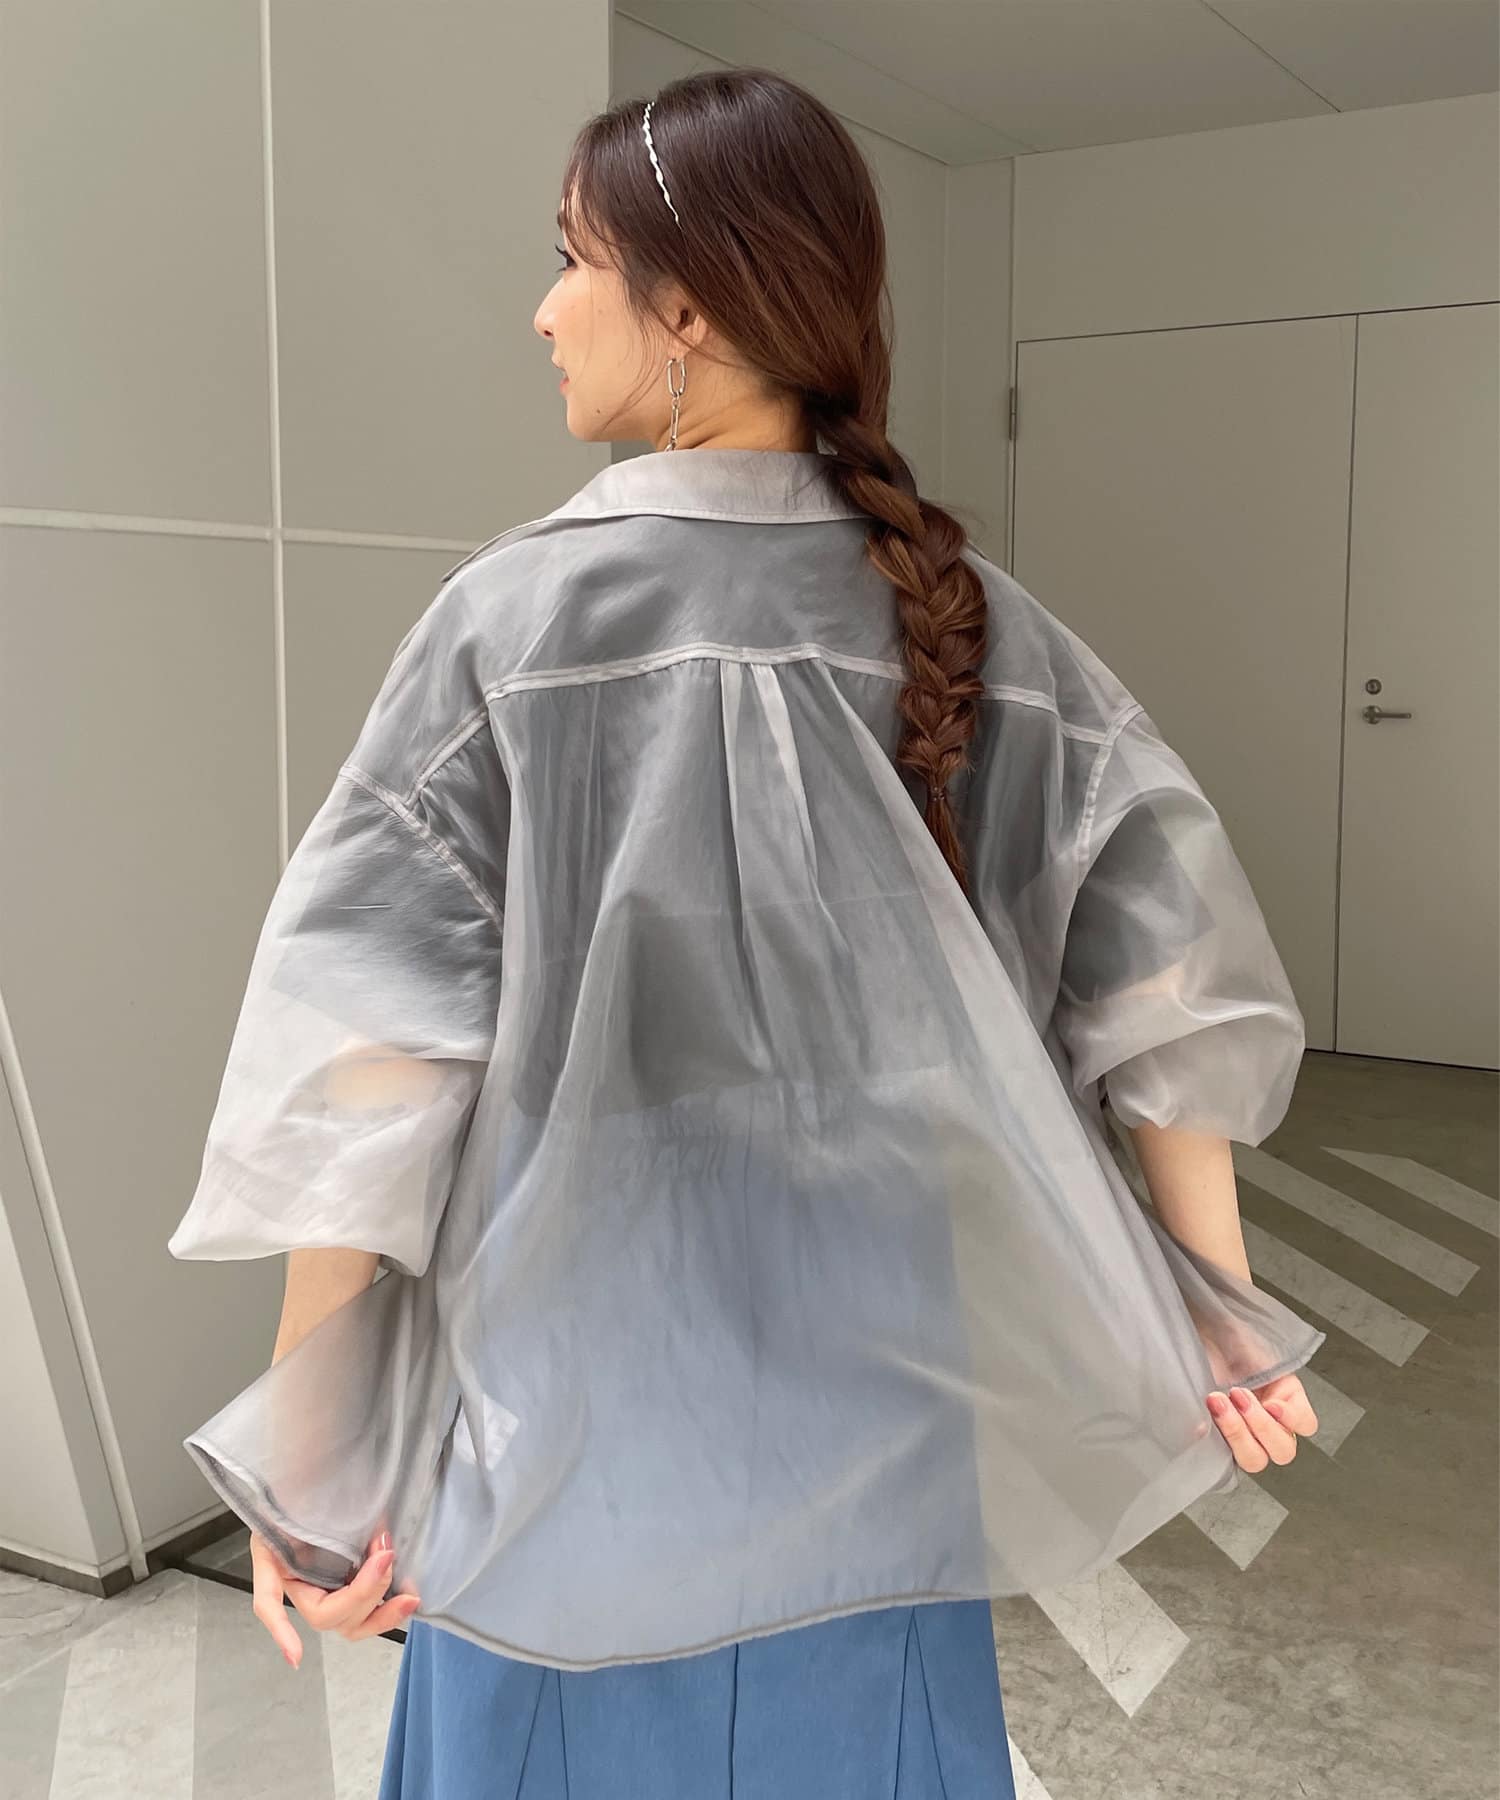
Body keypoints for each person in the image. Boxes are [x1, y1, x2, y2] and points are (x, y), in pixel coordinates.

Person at [166, 68, 1324, 1797]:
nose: (542, 308)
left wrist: (316, 1451)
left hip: (577, 1394)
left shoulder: (510, 623)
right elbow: (1164, 957)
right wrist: (1209, 1293)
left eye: (572, 260)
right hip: (885, 1380)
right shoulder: (966, 617)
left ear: (689, 305)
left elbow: (369, 1054)